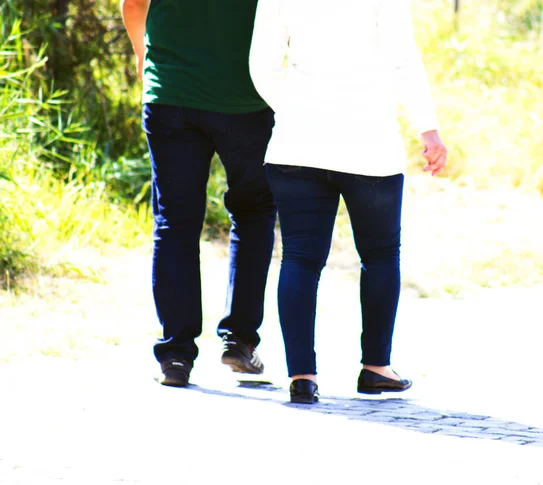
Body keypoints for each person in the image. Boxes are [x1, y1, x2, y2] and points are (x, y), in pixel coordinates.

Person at [249, 0, 448, 403]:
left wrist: (297, 111)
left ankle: (302, 378)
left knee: (300, 259)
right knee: (379, 256)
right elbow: (403, 60)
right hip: (369, 143)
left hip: (297, 143)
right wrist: (427, 129)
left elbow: (261, 66)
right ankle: (376, 368)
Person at [120, 0, 276, 387]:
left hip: (171, 92)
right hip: (247, 98)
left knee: (175, 221)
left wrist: (144, 57)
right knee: (254, 214)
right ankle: (239, 341)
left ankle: (175, 355)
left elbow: (134, 4)